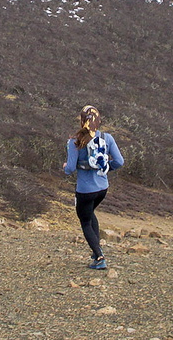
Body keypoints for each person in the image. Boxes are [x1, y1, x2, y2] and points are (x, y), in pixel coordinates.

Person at [63, 105, 124, 269]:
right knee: (90, 214)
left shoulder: (74, 141)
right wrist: (106, 168)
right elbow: (119, 162)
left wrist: (65, 167)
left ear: (82, 120)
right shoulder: (107, 138)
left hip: (85, 190)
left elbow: (70, 168)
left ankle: (99, 257)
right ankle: (96, 250)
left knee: (85, 221)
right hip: (102, 188)